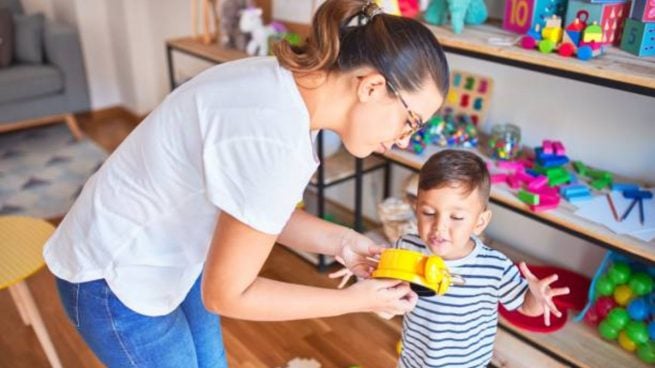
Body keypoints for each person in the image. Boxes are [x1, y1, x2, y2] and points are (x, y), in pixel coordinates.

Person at [42, 0, 451, 366]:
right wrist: (352, 302)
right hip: (113, 275)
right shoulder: (274, 137)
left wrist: (342, 242)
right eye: (410, 121)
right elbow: (226, 295)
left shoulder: (287, 87)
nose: (404, 140)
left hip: (170, 252)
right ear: (372, 86)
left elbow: (255, 213)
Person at [385, 149, 571, 367]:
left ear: (480, 222)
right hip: (412, 362)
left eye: (456, 217)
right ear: (416, 209)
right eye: (428, 213)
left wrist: (537, 299)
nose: (439, 227)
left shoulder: (495, 267)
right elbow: (388, 280)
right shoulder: (407, 247)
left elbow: (525, 307)